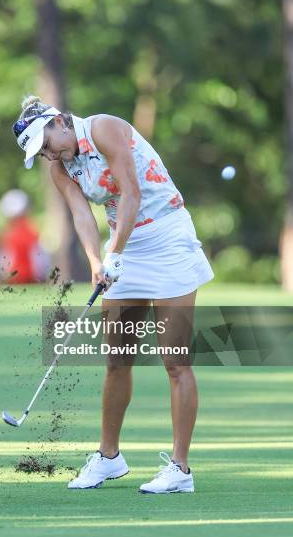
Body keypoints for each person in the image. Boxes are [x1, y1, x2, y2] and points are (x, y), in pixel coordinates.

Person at [12, 95, 214, 494]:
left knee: (176, 362)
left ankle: (180, 469)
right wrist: (96, 260)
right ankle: (109, 458)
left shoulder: (103, 127)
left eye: (47, 144)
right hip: (125, 249)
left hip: (168, 239)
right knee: (117, 360)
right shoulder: (60, 169)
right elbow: (82, 215)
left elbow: (132, 193)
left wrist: (115, 251)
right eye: (42, 153)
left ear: (60, 124)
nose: (50, 155)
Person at [0, 189, 50, 284]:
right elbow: (40, 258)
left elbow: (3, 259)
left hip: (15, 279)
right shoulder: (31, 230)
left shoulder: (9, 233)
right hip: (31, 279)